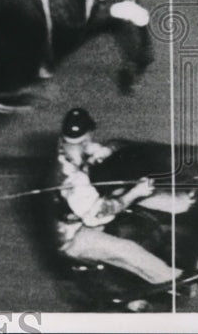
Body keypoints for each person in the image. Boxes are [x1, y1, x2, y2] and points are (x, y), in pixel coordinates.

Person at [54, 108, 183, 285]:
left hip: (80, 211)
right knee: (126, 250)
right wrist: (134, 193)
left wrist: (104, 150)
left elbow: (88, 153)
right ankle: (174, 280)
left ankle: (182, 206)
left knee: (135, 192)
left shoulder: (66, 147)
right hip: (73, 237)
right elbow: (97, 215)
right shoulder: (71, 178)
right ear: (88, 134)